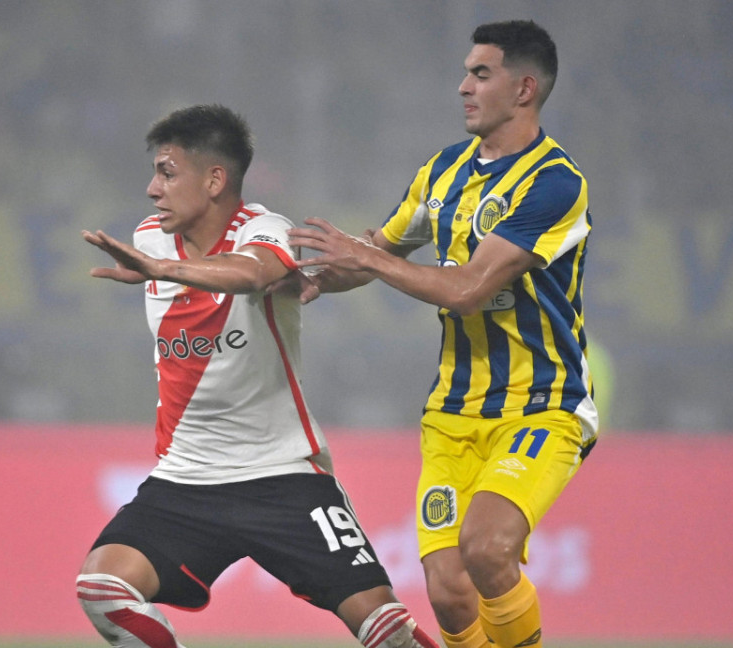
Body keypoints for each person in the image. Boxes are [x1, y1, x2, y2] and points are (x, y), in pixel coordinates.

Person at [77, 104, 438, 648]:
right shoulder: (150, 237)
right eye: (155, 172)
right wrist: (158, 263)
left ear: (215, 179)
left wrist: (162, 272)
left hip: (283, 475)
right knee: (102, 589)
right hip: (187, 479)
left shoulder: (264, 229)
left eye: (168, 173)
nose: (153, 188)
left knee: (387, 631)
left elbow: (253, 273)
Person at [287, 20, 596, 648]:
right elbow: (377, 249)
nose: (463, 86)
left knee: (487, 551)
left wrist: (367, 259)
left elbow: (466, 290)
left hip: (541, 408)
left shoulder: (555, 184)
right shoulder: (442, 173)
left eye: (481, 74)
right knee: (450, 593)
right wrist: (304, 277)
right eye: (466, 72)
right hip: (452, 414)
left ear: (524, 89)